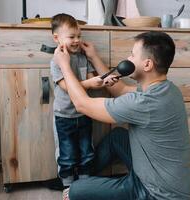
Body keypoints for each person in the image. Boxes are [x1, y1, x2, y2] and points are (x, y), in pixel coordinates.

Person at [54, 31, 190, 200]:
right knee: (118, 136)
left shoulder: (144, 103)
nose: (128, 58)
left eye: (132, 55)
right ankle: (85, 174)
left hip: (154, 194)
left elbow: (82, 104)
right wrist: (94, 57)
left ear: (147, 64)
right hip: (165, 180)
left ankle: (81, 184)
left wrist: (64, 66)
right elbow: (121, 90)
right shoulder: (168, 89)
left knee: (74, 192)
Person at [50, 13, 117, 189]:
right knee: (68, 154)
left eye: (79, 36)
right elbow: (67, 87)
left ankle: (86, 183)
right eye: (71, 36)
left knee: (87, 151)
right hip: (64, 116)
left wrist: (103, 81)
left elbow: (90, 81)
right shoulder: (57, 60)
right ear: (56, 38)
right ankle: (68, 186)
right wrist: (89, 82)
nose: (76, 40)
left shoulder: (81, 57)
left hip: (84, 113)